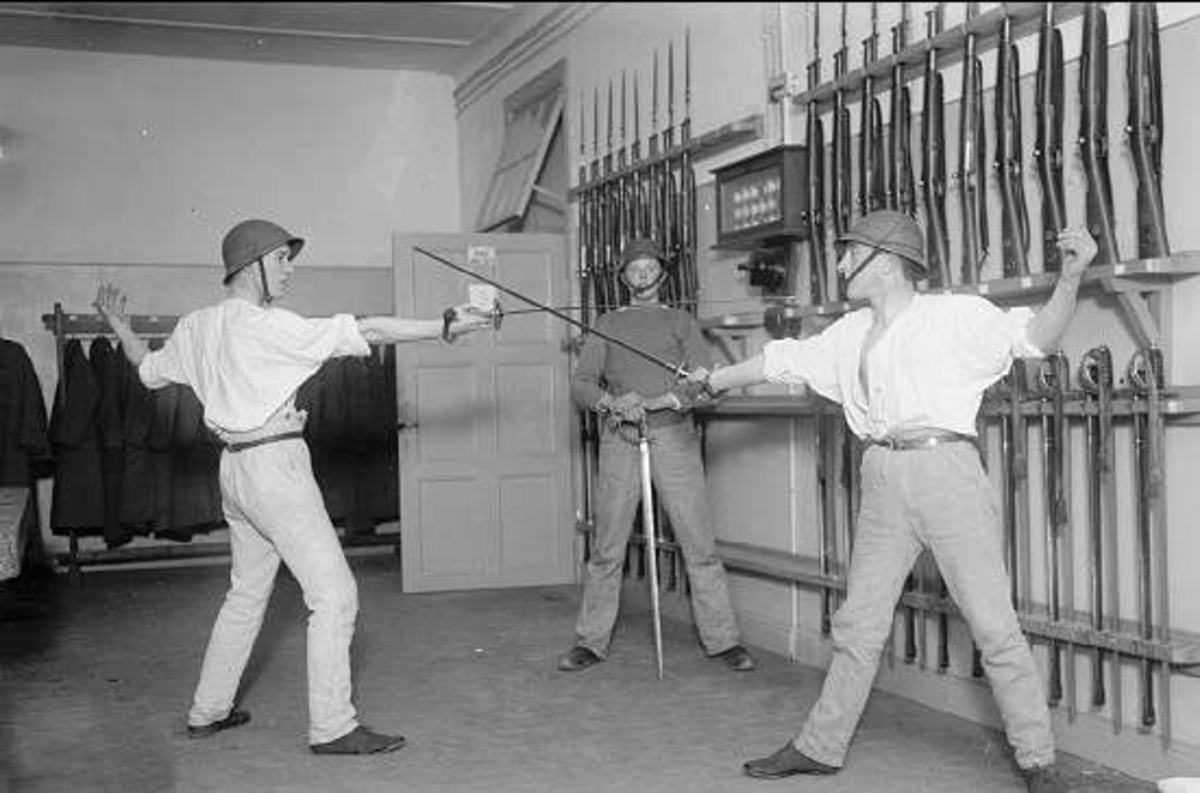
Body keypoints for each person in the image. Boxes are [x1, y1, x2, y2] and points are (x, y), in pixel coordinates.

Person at [688, 210, 1095, 793]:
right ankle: (820, 747)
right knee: (859, 623)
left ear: (885, 262)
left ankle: (1038, 762)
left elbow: (1035, 339)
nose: (841, 263)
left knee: (993, 625)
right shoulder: (849, 332)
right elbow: (781, 360)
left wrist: (1071, 278)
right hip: (881, 473)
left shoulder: (954, 315)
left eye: (851, 253)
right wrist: (711, 382)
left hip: (946, 470)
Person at [93, 218, 492, 755]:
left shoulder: (196, 327)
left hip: (234, 471)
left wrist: (119, 326)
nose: (290, 270)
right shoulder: (267, 327)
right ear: (250, 265)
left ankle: (207, 711)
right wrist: (444, 325)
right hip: (274, 467)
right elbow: (369, 331)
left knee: (245, 594)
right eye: (281, 259)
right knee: (335, 596)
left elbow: (146, 369)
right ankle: (333, 727)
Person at [557, 237, 754, 674]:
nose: (642, 274)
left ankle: (724, 641)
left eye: (649, 267)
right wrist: (611, 403)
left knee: (699, 544)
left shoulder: (681, 321)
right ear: (623, 277)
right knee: (607, 547)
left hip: (674, 437)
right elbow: (582, 384)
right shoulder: (607, 323)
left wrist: (669, 399)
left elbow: (703, 381)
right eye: (634, 268)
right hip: (621, 438)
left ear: (662, 274)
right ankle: (590, 641)